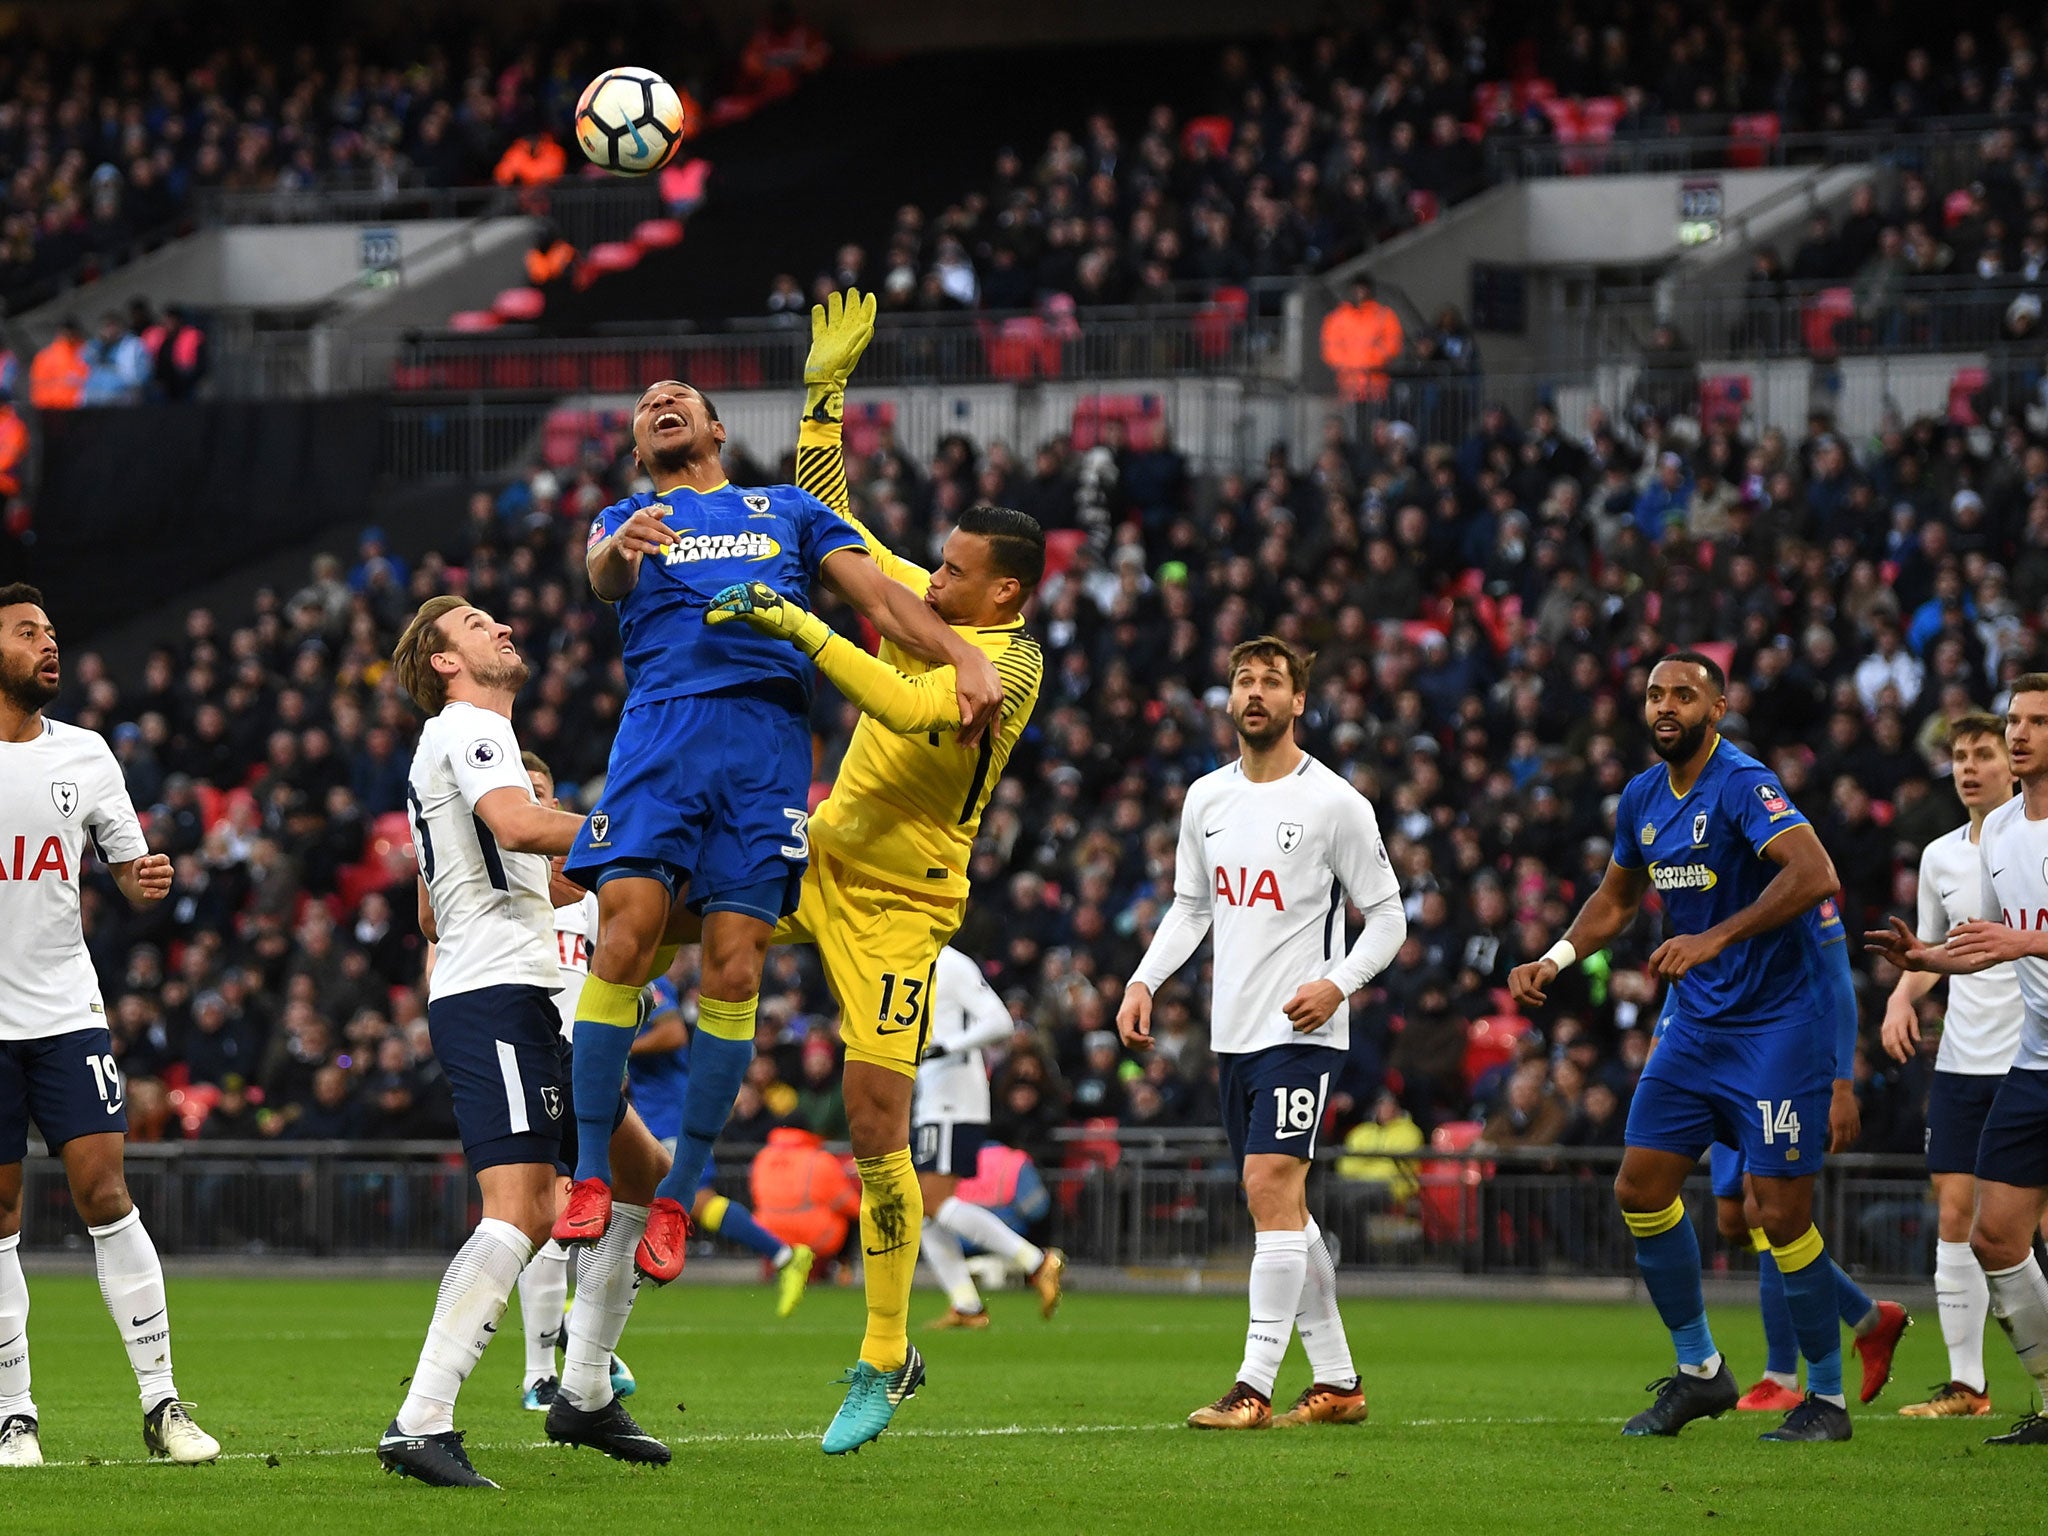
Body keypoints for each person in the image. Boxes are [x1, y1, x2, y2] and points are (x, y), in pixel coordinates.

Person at [554, 338, 1000, 1306]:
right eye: (646, 401)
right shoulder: (629, 517)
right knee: (623, 931)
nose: (662, 398)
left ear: (717, 430)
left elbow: (881, 597)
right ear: (639, 448)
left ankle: (678, 1195)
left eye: (682, 394)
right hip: (661, 736)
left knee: (735, 964)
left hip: (763, 749)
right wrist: (609, 554)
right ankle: (590, 1172)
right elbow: (599, 577)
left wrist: (963, 656)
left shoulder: (787, 511)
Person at [699, 289, 1040, 1454]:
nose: (930, 584)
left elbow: (896, 696)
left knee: (871, 1116)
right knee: (688, 925)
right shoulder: (936, 607)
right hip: (822, 859)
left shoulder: (1011, 665)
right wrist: (820, 395)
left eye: (952, 574)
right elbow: (826, 514)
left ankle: (885, 1354)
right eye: (932, 567)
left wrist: (802, 631)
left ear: (1006, 592)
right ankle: (661, 1187)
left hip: (901, 909)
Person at [1510, 651, 1855, 1442]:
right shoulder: (1641, 796)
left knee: (1778, 1211)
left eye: (1683, 695)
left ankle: (1827, 1400)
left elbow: (1815, 873)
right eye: (1655, 694)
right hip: (1696, 1029)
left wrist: (1714, 937)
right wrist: (1556, 959)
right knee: (1640, 1189)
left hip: (1778, 1027)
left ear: (1718, 707)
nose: (1665, 706)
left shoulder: (1742, 782)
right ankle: (1702, 1372)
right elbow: (1617, 898)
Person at [377, 597, 669, 1488]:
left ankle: (582, 1392)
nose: (500, 627)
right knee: (523, 1210)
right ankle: (419, 1419)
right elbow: (516, 826)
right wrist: (641, 832)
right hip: (494, 995)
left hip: (526, 994)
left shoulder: (463, 743)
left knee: (639, 1172)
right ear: (443, 662)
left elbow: (440, 902)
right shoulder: (469, 726)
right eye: (474, 623)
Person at [1116, 635, 1407, 1430]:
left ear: (1297, 702)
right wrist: (1145, 979)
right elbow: (1190, 907)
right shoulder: (1206, 799)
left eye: (1271, 682)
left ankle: (1252, 1385)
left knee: (1268, 1190)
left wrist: (1336, 983)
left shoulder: (1336, 803)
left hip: (1302, 1029)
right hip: (1232, 1033)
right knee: (1284, 1210)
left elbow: (1388, 916)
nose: (1254, 693)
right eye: (1242, 679)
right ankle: (1341, 1383)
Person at [0, 584, 218, 1470]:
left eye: (52, 632)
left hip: (63, 1008)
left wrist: (143, 879)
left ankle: (163, 1404)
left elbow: (127, 868)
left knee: (104, 1191)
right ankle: (14, 1414)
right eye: (25, 633)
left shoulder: (87, 754)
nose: (48, 645)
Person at [1867, 675, 2048, 1446]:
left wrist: (2025, 942)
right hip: (2033, 1061)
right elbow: (1988, 948)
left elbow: (2019, 940)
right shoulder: (2000, 833)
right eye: (2014, 721)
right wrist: (1925, 962)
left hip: (2023, 1057)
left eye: (2036, 722)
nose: (2019, 735)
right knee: (1993, 1237)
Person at [1650, 942, 1908, 1418]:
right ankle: (1867, 1316)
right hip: (1710, 1056)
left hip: (1775, 1058)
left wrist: (1842, 1082)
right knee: (1733, 1221)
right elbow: (1684, 976)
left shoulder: (1790, 888)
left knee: (1765, 1211)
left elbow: (1836, 984)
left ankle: (1781, 1375)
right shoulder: (1702, 889)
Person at [512, 751, 637, 1414]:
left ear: (557, 805)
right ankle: (543, 1368)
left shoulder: (589, 888)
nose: (533, 800)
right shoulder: (497, 881)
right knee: (553, 1215)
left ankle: (581, 1347)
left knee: (600, 1212)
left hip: (590, 1059)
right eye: (520, 791)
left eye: (542, 790)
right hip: (532, 1055)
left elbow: (619, 969)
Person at [629, 974, 816, 1316]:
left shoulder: (649, 979)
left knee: (693, 1200)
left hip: (670, 1113)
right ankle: (785, 1256)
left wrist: (617, 1048)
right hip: (651, 1112)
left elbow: (672, 1034)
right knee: (631, 1203)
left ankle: (785, 1255)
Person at [912, 946, 1066, 1330]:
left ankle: (1037, 1261)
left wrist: (946, 1047)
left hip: (953, 1097)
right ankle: (966, 1305)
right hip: (931, 1098)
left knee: (932, 1201)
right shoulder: (908, 957)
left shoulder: (949, 962)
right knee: (920, 1210)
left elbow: (1000, 1021)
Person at [1319, 276, 1403, 406]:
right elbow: (1330, 347)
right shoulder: (1337, 317)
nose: (1359, 292)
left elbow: (1392, 344)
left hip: (1376, 382)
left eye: (1363, 288)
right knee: (1350, 421)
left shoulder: (1384, 315)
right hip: (1348, 383)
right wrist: (1350, 365)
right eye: (1356, 289)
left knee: (1375, 420)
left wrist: (1370, 361)